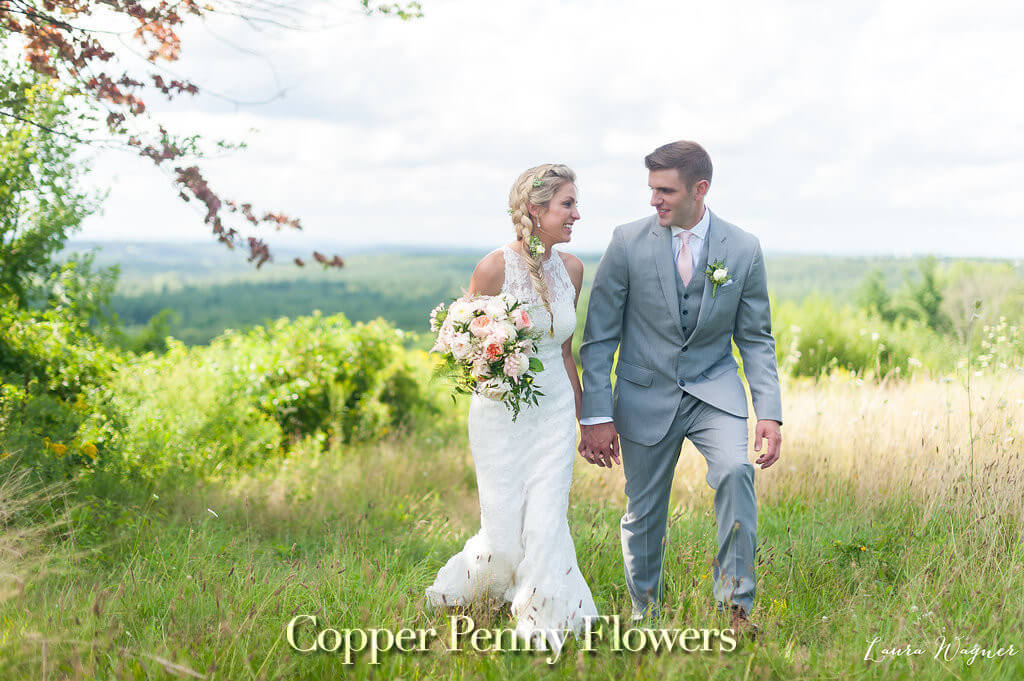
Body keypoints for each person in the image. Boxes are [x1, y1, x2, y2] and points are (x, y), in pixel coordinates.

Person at [578, 140, 783, 636]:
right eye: (652, 189)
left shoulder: (743, 248)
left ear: (699, 189)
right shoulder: (627, 242)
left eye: (665, 191)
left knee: (736, 471)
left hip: (715, 390)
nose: (654, 200)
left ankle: (735, 610)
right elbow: (599, 337)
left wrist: (769, 413)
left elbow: (756, 338)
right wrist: (597, 415)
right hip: (644, 391)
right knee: (644, 511)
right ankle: (646, 613)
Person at [425, 164, 598, 652]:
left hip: (555, 412)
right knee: (503, 534)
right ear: (536, 209)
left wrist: (585, 420)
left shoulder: (573, 270)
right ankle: (472, 588)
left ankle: (544, 621)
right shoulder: (494, 267)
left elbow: (565, 352)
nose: (576, 215)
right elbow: (462, 345)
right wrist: (492, 360)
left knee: (546, 522)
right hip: (501, 414)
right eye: (567, 205)